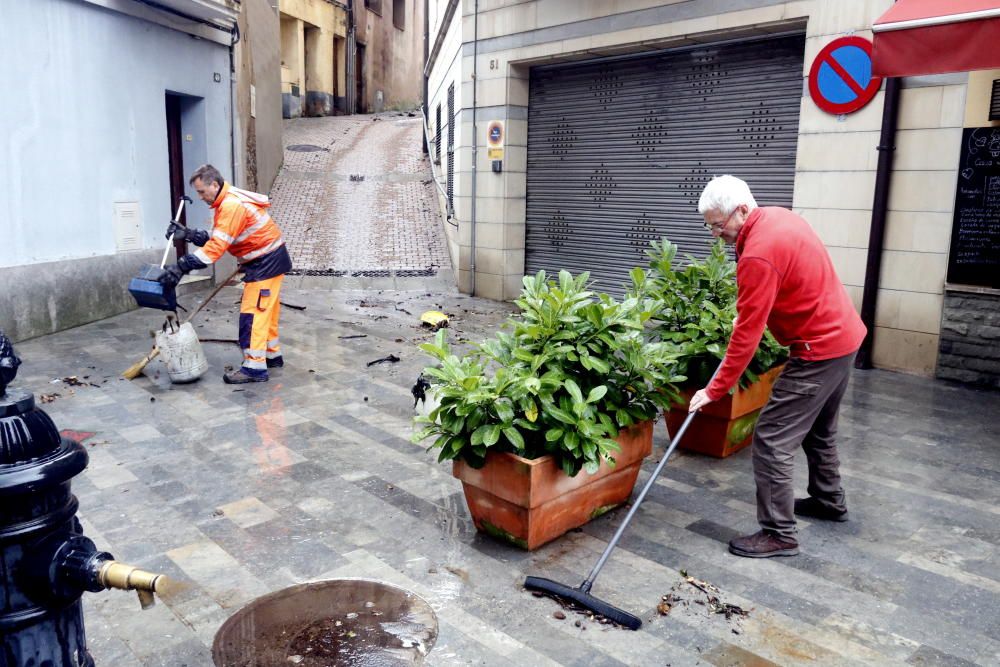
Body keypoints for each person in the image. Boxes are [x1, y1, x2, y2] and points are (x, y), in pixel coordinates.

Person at [688, 175, 866, 558]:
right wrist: (752, 314)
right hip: (842, 335)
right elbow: (786, 286)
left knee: (771, 439)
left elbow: (746, 339)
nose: (715, 233)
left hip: (818, 348)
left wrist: (713, 390)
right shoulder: (779, 218)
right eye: (710, 226)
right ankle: (829, 500)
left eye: (718, 225)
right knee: (819, 429)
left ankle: (779, 534)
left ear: (742, 209)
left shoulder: (758, 253)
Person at [159, 164, 292, 384]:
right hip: (270, 259)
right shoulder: (227, 201)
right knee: (266, 311)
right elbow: (223, 235)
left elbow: (216, 248)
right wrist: (190, 234)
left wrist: (181, 266)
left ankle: (254, 368)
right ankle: (271, 355)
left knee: (253, 314)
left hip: (264, 262)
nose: (201, 197)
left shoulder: (230, 205)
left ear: (214, 184)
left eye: (202, 191)